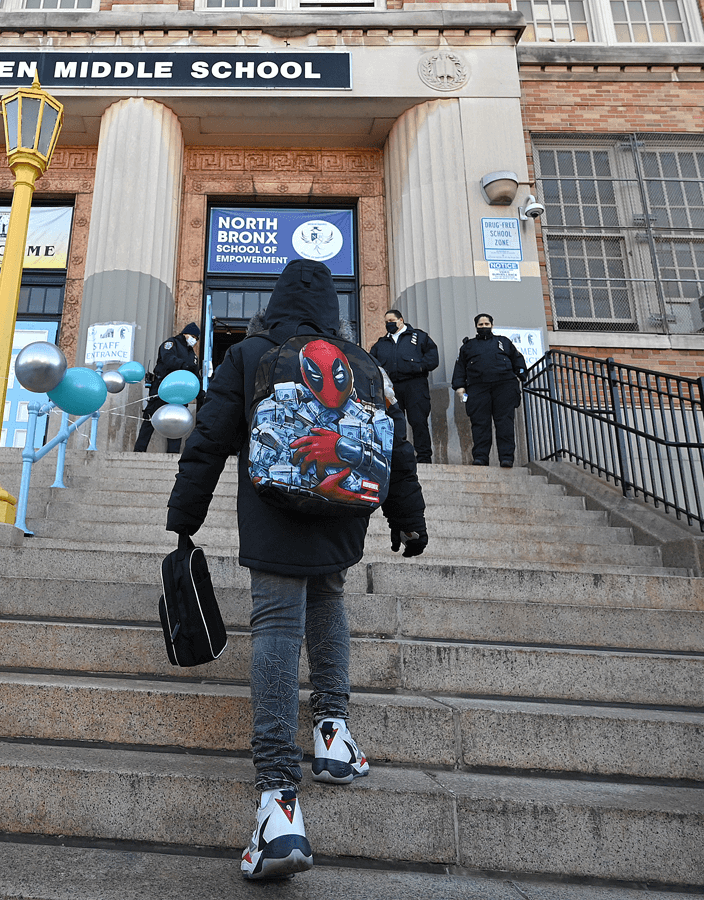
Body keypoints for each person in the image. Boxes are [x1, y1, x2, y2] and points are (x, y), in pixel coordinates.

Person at [165, 259, 428, 881]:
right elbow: (396, 444)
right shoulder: (364, 361)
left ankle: (279, 804)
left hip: (271, 508)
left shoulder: (251, 352)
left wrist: (185, 514)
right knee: (329, 599)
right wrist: (408, 518)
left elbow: (209, 436)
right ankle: (333, 733)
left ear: (276, 299)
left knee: (278, 627)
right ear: (332, 306)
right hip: (344, 509)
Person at [452, 313, 527, 468]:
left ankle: (506, 458)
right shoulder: (468, 346)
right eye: (481, 325)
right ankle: (480, 457)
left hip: (504, 386)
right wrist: (460, 387)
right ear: (476, 326)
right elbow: (460, 368)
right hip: (478, 388)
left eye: (487, 324)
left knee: (505, 423)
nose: (484, 327)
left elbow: (517, 359)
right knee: (480, 424)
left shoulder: (503, 342)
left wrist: (521, 374)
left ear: (492, 325)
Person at [368, 309, 439, 464]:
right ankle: (398, 458)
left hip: (415, 385)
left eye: (392, 320)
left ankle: (424, 457)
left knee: (418, 421)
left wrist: (419, 367)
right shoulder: (381, 344)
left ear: (401, 320)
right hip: (391, 388)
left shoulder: (419, 337)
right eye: (386, 322)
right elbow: (372, 364)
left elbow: (433, 358)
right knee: (393, 423)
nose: (389, 324)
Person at [133, 322, 202, 453]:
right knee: (150, 418)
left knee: (177, 422)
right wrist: (184, 366)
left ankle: (173, 453)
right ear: (185, 334)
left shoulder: (192, 355)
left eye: (197, 338)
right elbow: (168, 359)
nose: (195, 340)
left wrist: (200, 393)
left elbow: (195, 376)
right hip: (161, 387)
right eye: (193, 336)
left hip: (180, 392)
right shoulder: (172, 343)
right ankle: (139, 450)